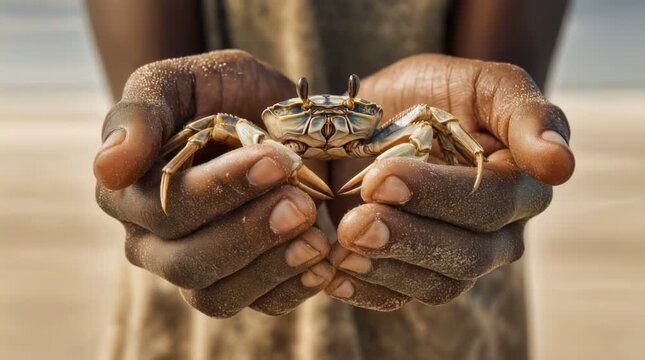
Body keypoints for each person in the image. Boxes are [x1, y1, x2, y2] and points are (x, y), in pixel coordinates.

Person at [88, 1, 574, 359]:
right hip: (200, 285)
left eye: (346, 113)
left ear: (363, 109)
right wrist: (158, 164)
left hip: (455, 283)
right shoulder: (253, 129)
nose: (327, 125)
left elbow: (446, 124)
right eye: (306, 115)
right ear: (279, 116)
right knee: (207, 130)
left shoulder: (392, 129)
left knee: (435, 124)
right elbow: (195, 125)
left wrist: (486, 163)